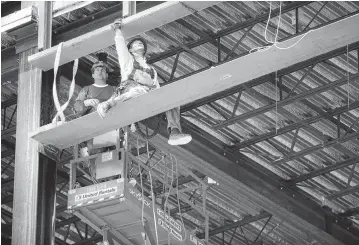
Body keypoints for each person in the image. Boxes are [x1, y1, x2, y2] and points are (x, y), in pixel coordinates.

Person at [97, 18, 192, 146]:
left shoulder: (152, 70)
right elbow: (120, 47)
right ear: (130, 50)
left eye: (140, 43)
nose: (139, 44)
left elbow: (157, 89)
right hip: (130, 93)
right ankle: (109, 104)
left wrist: (167, 99)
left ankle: (174, 132)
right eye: (135, 43)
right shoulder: (128, 62)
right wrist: (117, 31)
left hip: (148, 95)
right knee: (139, 90)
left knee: (172, 97)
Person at [74, 52, 116, 155]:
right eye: (97, 70)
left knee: (112, 156)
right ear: (93, 74)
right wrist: (86, 103)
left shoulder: (114, 90)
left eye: (103, 70)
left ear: (107, 75)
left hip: (109, 126)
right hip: (92, 128)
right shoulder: (86, 90)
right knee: (96, 155)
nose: (100, 71)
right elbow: (76, 108)